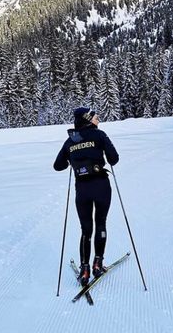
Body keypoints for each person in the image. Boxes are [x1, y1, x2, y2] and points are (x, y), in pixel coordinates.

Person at [53, 107, 119, 286]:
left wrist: (73, 157)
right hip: (101, 187)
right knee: (101, 223)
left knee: (86, 229)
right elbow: (114, 159)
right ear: (88, 119)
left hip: (82, 190)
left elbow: (58, 166)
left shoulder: (70, 140)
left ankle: (85, 269)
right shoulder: (99, 135)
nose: (98, 120)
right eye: (96, 117)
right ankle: (98, 263)